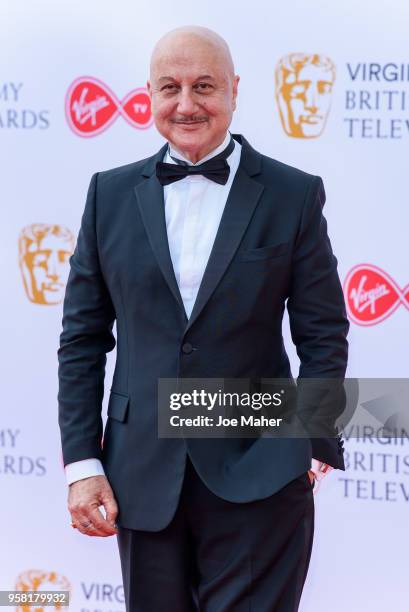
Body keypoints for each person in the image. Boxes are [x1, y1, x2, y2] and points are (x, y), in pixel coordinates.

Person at [58, 25, 348, 611]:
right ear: (149, 94)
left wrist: (313, 438)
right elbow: (83, 341)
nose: (186, 104)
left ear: (236, 91)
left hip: (261, 466)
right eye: (170, 87)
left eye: (204, 86)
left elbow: (323, 332)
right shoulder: (107, 196)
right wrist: (82, 464)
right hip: (140, 474)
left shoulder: (293, 194)